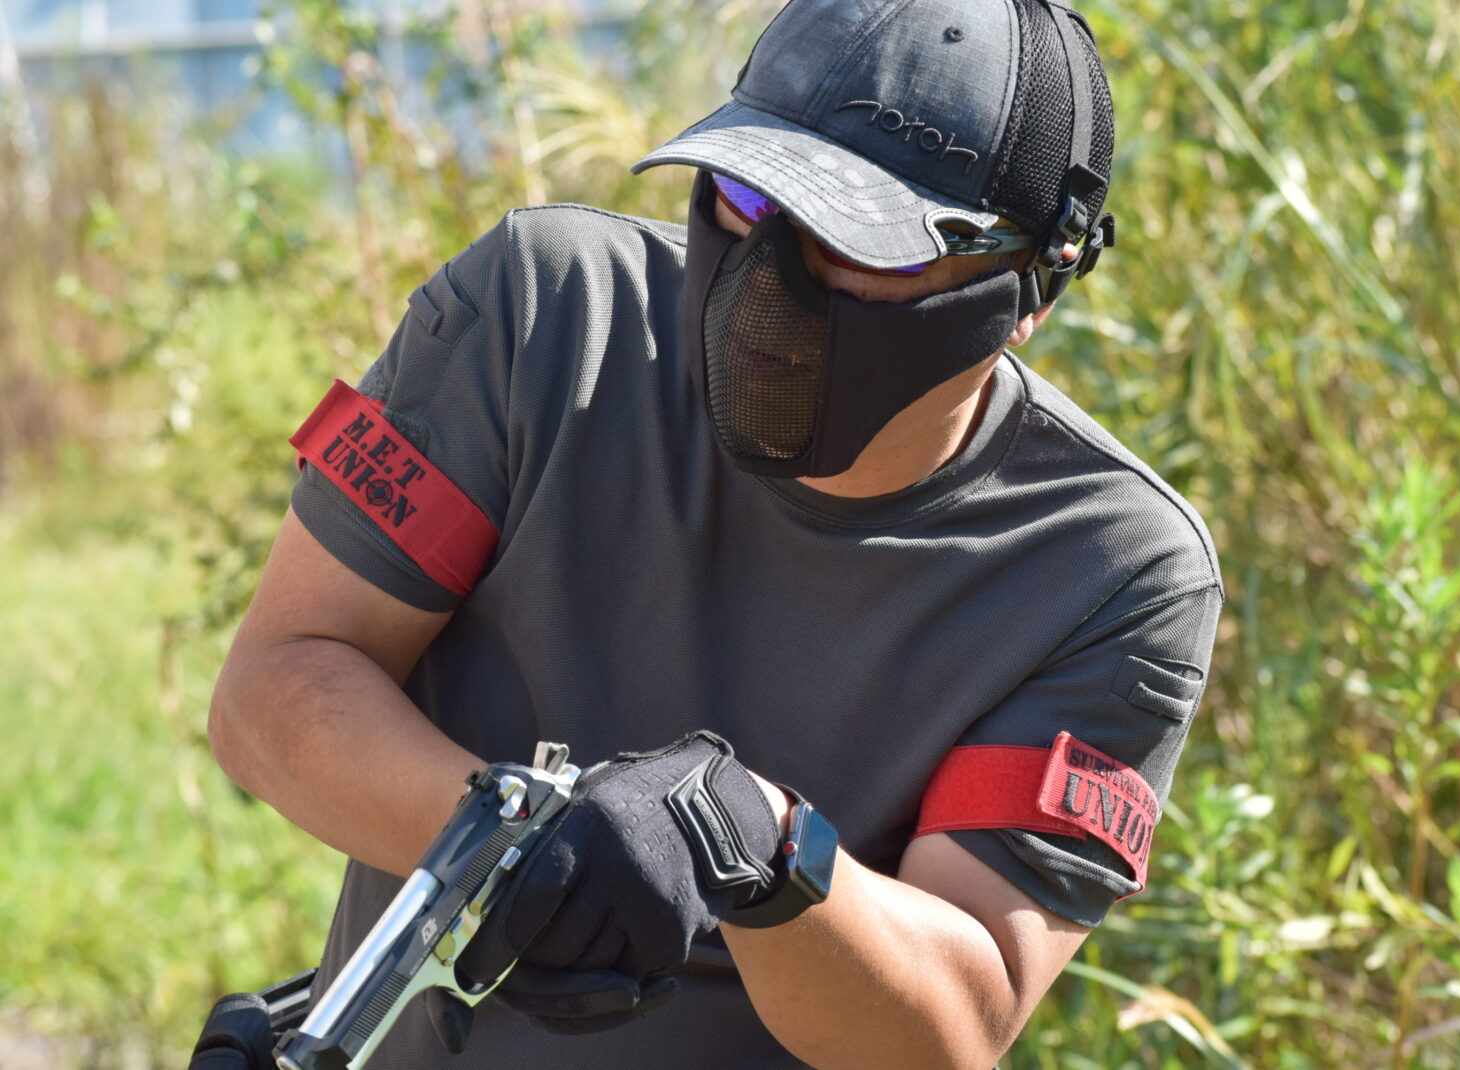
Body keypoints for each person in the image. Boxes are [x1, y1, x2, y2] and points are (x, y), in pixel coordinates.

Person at [206, 1, 1223, 1067]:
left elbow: (952, 1022)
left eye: (860, 242)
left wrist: (753, 844)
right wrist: (523, 853)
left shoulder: (1106, 568)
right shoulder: (543, 317)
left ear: (1029, 286)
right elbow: (273, 685)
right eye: (748, 197)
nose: (770, 280)